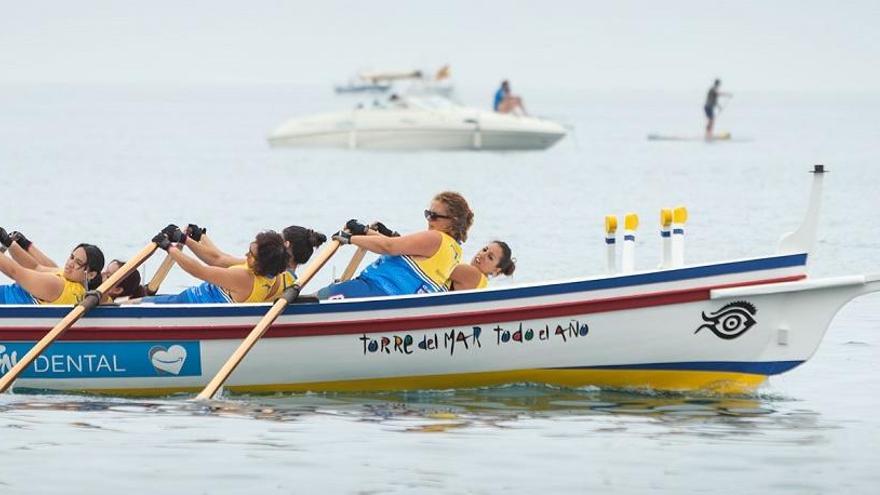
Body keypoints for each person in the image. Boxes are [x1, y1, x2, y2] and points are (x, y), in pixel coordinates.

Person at [317, 191, 474, 299]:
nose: (428, 219)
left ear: (452, 221)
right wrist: (364, 231)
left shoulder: (436, 238)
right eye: (428, 214)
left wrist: (349, 238)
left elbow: (389, 247)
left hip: (373, 290)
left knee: (310, 302)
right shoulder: (454, 251)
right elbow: (397, 247)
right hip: (385, 298)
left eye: (434, 216)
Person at [135, 229, 290, 304]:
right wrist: (185, 239)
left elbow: (199, 271)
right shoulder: (272, 275)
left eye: (251, 253)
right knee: (138, 300)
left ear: (261, 263)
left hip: (187, 307)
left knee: (128, 304)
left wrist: (168, 247)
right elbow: (218, 259)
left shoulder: (245, 278)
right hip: (184, 300)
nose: (245, 255)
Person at [172, 223, 326, 292]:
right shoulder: (289, 279)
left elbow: (217, 261)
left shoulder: (263, 268)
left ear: (286, 245)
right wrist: (201, 237)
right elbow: (222, 259)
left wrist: (184, 240)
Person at [0, 227, 104, 305]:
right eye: (71, 257)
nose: (70, 263)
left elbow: (15, 272)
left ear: (91, 274)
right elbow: (36, 267)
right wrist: (9, 242)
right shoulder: (75, 284)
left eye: (78, 263)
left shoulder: (58, 285)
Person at [447, 241, 516, 291]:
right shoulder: (482, 284)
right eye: (485, 250)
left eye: (490, 257)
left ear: (496, 270)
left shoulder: (474, 274)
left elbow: (442, 267)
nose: (482, 254)